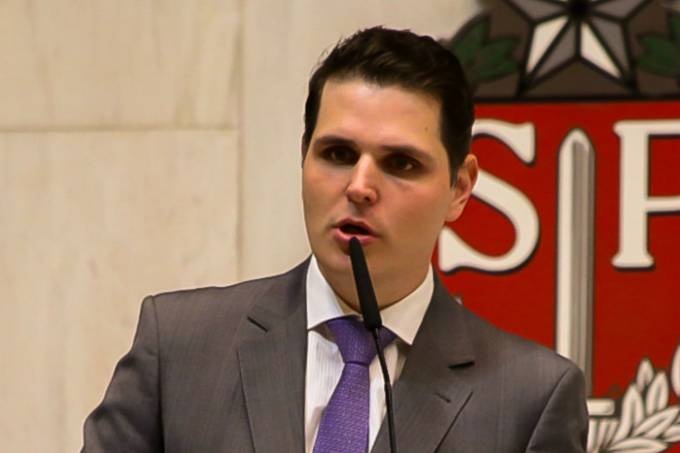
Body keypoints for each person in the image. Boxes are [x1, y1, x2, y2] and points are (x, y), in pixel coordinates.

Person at [82, 27, 588, 452]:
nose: (360, 187)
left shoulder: (529, 399)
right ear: (303, 156)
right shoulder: (180, 348)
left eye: (401, 163)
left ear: (459, 188)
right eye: (338, 154)